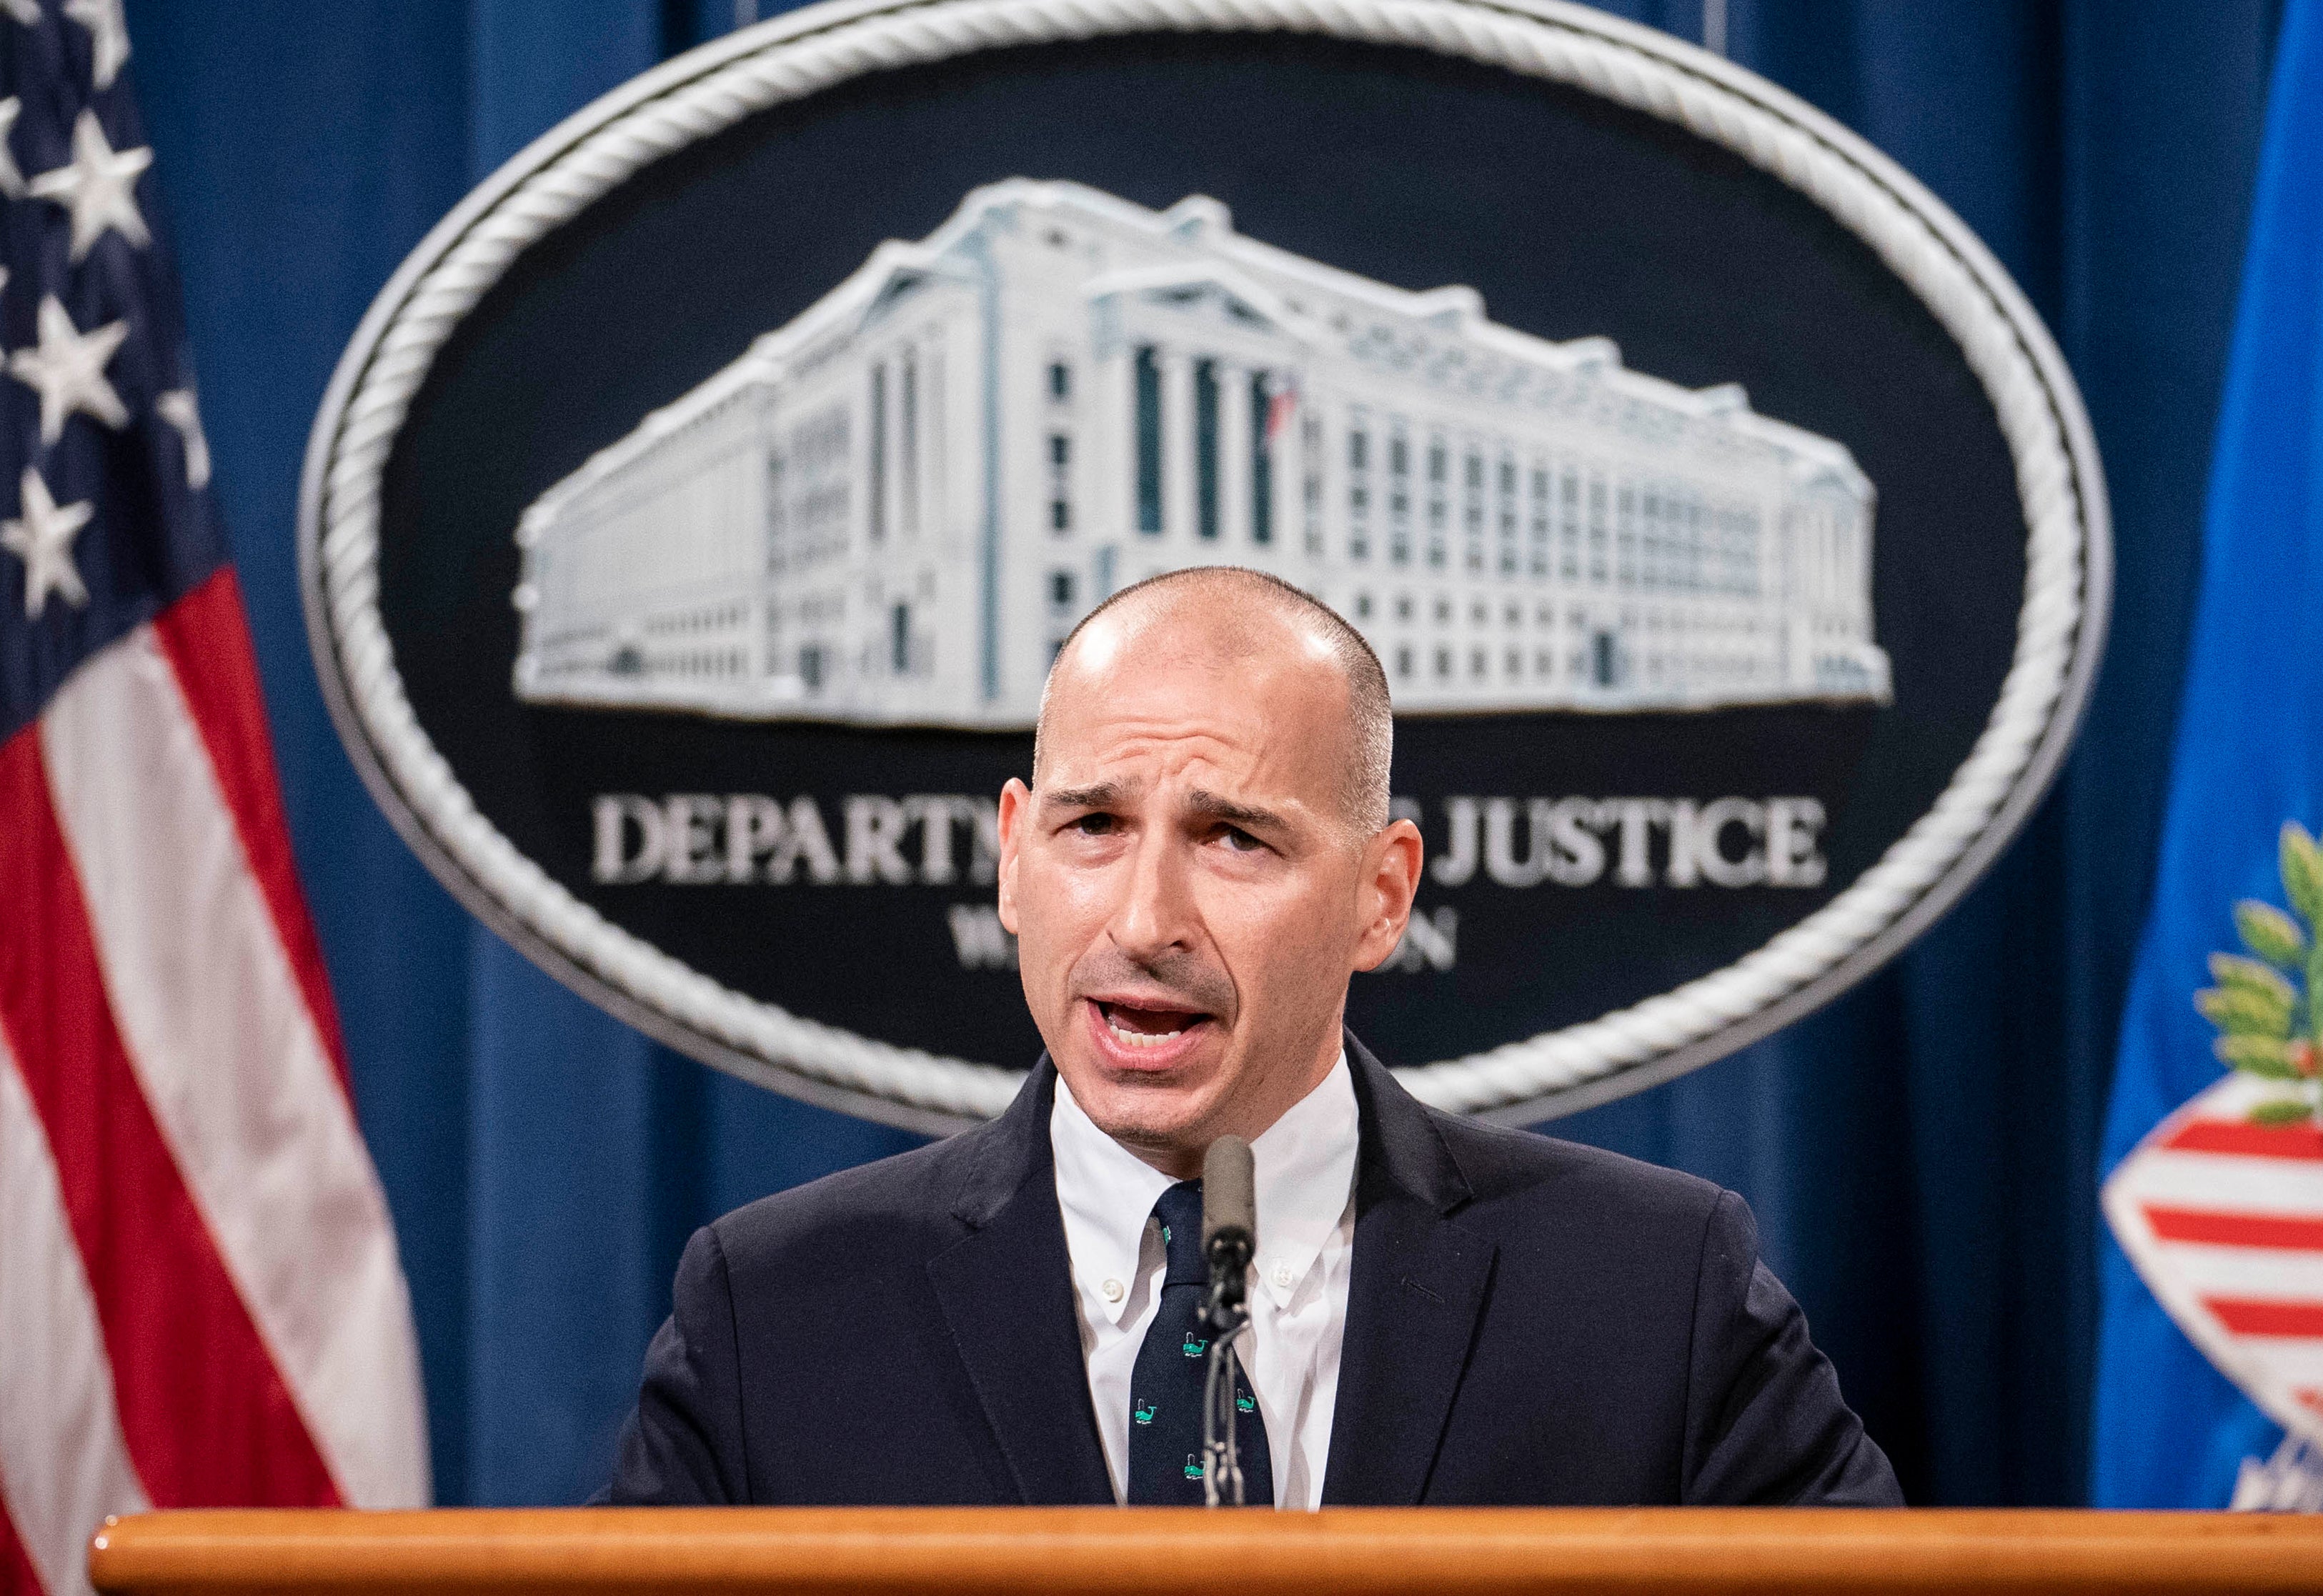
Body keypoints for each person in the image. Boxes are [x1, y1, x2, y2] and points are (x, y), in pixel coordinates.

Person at [606, 567, 1900, 1507]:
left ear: (1381, 893)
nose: (1145, 917)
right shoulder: (773, 1318)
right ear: (1012, 856)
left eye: (1234, 836)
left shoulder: (1649, 1294)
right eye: (1091, 826)